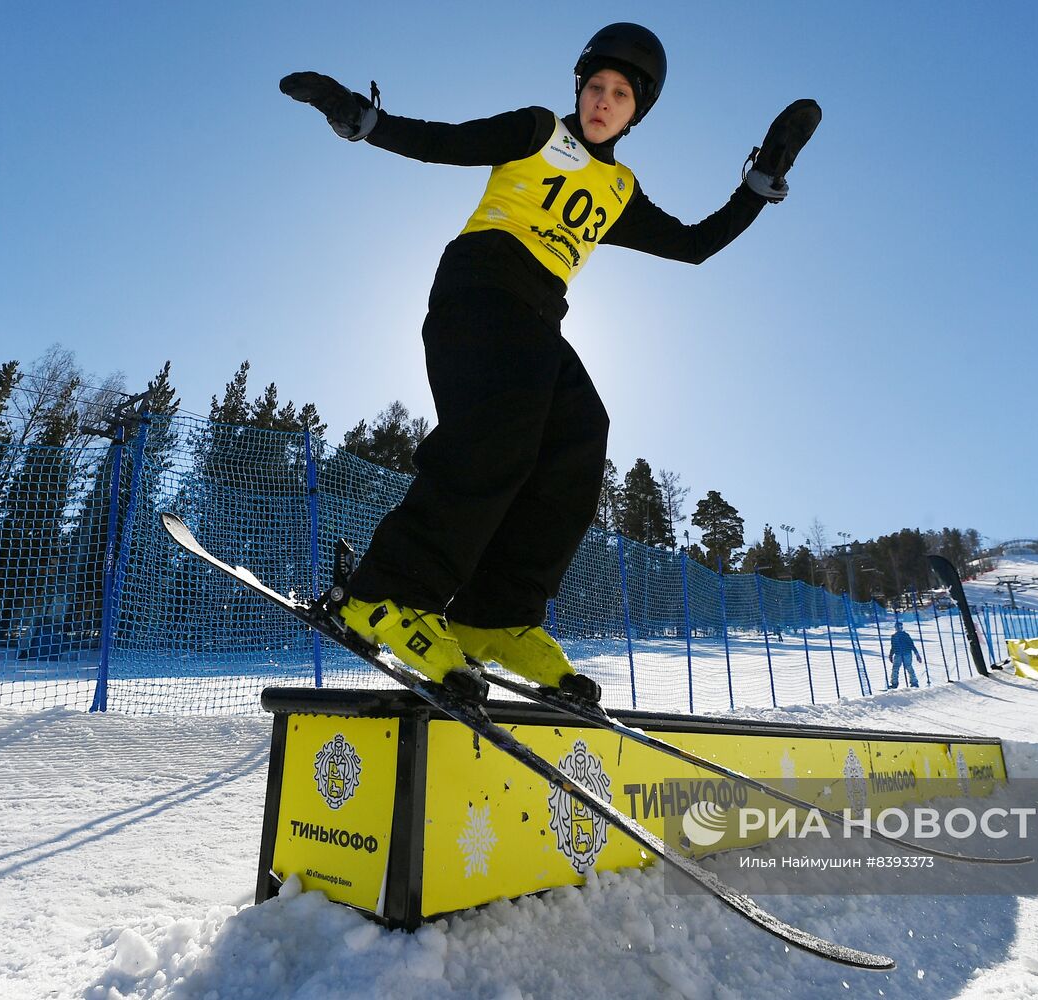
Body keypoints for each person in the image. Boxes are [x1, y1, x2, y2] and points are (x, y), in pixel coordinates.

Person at [279, 25, 819, 702]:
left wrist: (760, 182)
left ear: (636, 111)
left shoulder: (618, 187)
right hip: (478, 292)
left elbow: (693, 245)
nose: (602, 101)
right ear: (579, 89)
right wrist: (362, 119)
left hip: (537, 317)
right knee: (494, 439)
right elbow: (445, 144)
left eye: (620, 94)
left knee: (577, 436)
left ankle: (492, 616)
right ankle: (382, 595)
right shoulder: (538, 131)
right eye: (595, 87)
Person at [888, 624, 919, 689]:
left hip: (907, 653)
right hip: (898, 654)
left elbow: (911, 645)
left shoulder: (906, 635)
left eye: (900, 627)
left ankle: (914, 682)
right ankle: (894, 683)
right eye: (897, 627)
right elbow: (893, 646)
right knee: (895, 668)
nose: (899, 628)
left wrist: (917, 654)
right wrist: (891, 655)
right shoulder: (894, 636)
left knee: (908, 667)